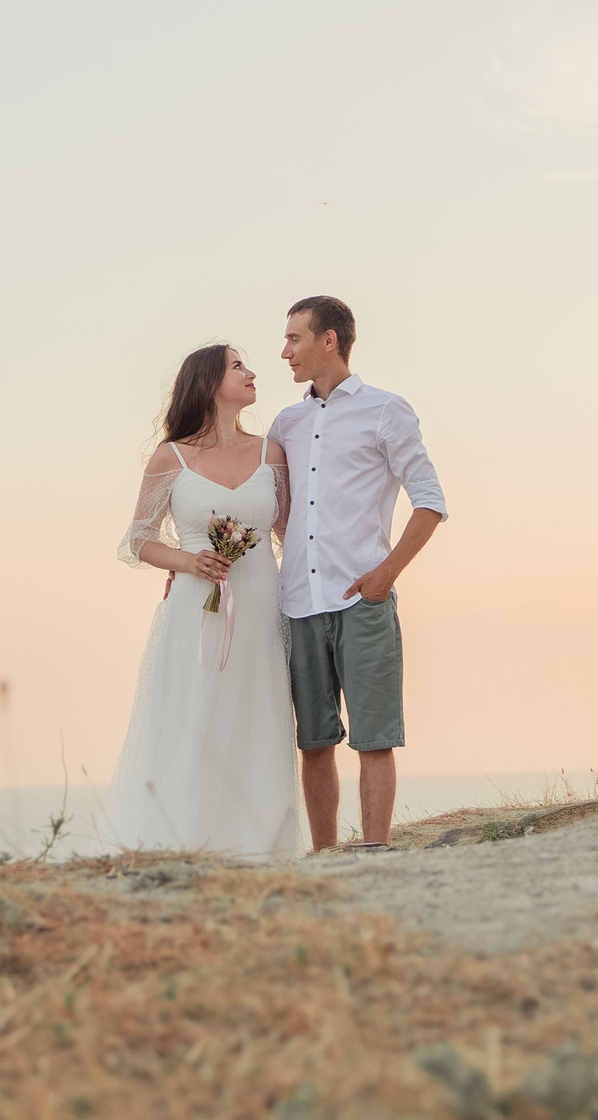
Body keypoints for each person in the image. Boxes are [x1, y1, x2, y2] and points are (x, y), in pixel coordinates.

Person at [108, 344, 306, 858]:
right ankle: (185, 847)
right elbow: (138, 538)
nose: (253, 372)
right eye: (238, 366)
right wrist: (188, 561)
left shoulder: (271, 453)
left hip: (262, 607)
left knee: (259, 719)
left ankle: (261, 849)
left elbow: (289, 531)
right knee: (195, 721)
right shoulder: (170, 457)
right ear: (206, 380)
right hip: (196, 611)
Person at [271, 295, 446, 853]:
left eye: (295, 338)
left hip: (362, 600)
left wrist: (384, 576)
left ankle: (374, 855)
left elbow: (430, 501)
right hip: (299, 601)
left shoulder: (386, 410)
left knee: (373, 739)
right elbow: (278, 513)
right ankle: (326, 860)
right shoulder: (287, 423)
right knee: (314, 743)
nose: (284, 351)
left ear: (329, 340)